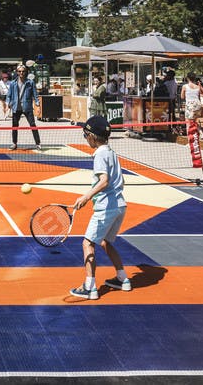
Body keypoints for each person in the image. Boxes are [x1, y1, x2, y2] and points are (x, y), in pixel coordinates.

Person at [69, 116, 132, 300]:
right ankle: (122, 279)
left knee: (87, 243)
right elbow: (120, 180)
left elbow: (104, 181)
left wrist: (87, 196)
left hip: (106, 208)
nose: (85, 137)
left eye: (85, 135)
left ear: (93, 137)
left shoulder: (99, 155)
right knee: (105, 241)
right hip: (120, 205)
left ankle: (90, 287)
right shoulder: (111, 153)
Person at [5, 63, 42, 151]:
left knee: (33, 125)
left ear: (26, 72)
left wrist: (38, 105)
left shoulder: (30, 82)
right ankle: (14, 143)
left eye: (23, 71)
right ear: (17, 72)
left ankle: (38, 143)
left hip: (27, 107)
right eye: (19, 71)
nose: (21, 73)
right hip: (16, 107)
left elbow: (35, 95)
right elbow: (9, 95)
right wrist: (8, 104)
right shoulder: (13, 83)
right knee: (14, 126)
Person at [181, 72, 203, 140]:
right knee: (194, 121)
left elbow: (182, 97)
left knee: (188, 122)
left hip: (190, 104)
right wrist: (200, 85)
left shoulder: (185, 86)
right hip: (197, 104)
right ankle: (201, 133)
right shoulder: (198, 87)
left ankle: (190, 139)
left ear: (187, 78)